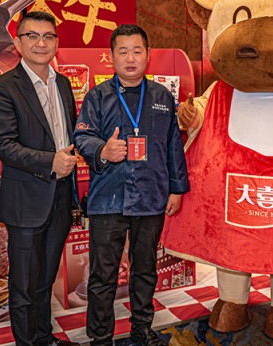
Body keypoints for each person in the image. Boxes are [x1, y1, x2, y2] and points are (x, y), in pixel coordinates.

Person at [74, 24, 189, 346]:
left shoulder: (162, 97)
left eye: (137, 51)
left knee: (145, 270)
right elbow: (82, 136)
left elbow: (172, 146)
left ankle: (141, 329)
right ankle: (100, 338)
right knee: (102, 275)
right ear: (111, 57)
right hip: (108, 198)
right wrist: (103, 150)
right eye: (122, 51)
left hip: (152, 195)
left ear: (148, 56)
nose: (130, 58)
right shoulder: (97, 97)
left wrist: (178, 188)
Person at [0, 11, 79, 346]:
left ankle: (45, 337)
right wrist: (50, 161)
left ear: (56, 42)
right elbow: (4, 145)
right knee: (24, 285)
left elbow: (67, 135)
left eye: (48, 36)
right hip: (26, 200)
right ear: (18, 43)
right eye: (32, 36)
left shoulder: (63, 83)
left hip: (60, 196)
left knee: (44, 281)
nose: (41, 43)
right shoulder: (2, 87)